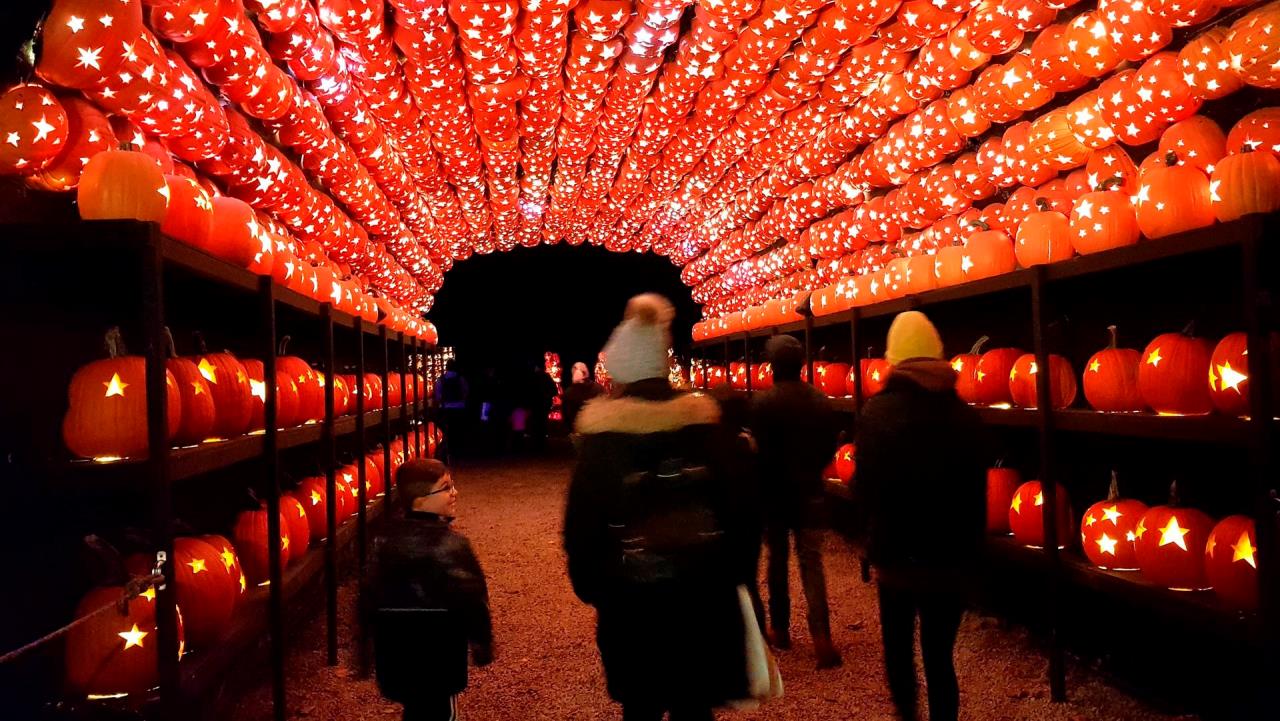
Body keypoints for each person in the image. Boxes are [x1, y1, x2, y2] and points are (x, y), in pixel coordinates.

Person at [564, 294, 754, 721]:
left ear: (621, 370)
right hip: (701, 596)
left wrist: (594, 587)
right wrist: (735, 572)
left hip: (631, 601)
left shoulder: (604, 440)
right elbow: (740, 506)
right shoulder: (703, 428)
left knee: (641, 704)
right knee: (694, 704)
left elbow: (582, 525)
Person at [854, 311, 988, 721]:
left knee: (898, 648)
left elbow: (865, 488)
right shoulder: (966, 418)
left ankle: (907, 712)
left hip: (896, 555)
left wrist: (871, 535)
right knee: (939, 656)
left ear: (895, 358)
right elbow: (976, 496)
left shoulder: (877, 413)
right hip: (949, 559)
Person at [364, 459, 493, 721]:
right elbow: (473, 598)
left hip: (398, 662)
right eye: (445, 488)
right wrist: (482, 641)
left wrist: (365, 647)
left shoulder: (386, 544)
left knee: (416, 711)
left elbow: (369, 597)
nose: (454, 493)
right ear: (420, 501)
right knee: (440, 713)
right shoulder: (452, 546)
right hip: (440, 664)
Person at [750, 335, 842, 669]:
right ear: (801, 364)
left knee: (777, 559)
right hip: (810, 491)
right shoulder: (819, 400)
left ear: (773, 365)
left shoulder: (762, 404)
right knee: (811, 563)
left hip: (774, 494)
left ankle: (780, 628)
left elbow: (757, 453)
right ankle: (821, 635)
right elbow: (830, 445)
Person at [433, 361, 469, 461]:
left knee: (446, 431)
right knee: (458, 430)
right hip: (459, 407)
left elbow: (438, 394)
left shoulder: (441, 380)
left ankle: (448, 452)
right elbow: (465, 391)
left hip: (446, 408)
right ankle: (458, 451)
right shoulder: (461, 379)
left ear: (446, 367)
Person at [561, 361, 603, 433]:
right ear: (586, 372)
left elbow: (566, 416)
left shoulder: (568, 393)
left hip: (577, 432)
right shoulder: (599, 388)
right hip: (597, 431)